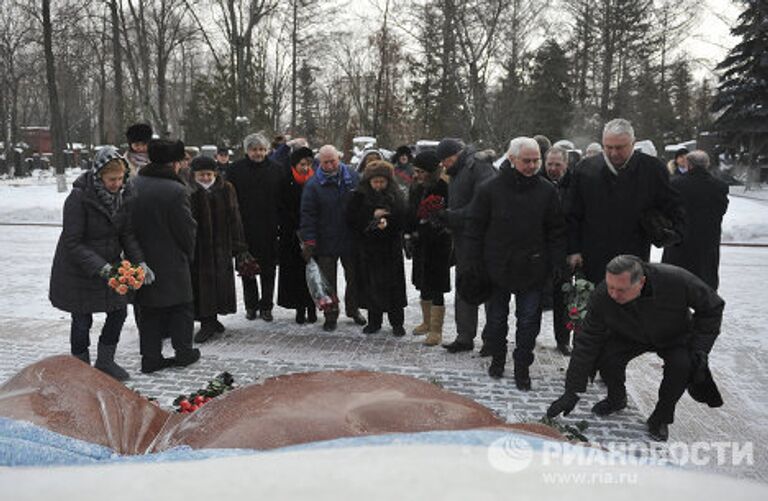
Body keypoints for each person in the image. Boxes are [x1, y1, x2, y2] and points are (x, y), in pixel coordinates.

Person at [547, 255, 725, 441]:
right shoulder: (602, 296)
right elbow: (587, 342)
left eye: (621, 290)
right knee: (607, 358)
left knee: (682, 367)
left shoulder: (676, 279)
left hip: (674, 335)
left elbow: (713, 307)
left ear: (641, 282)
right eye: (610, 287)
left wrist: (698, 348)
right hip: (630, 334)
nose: (614, 295)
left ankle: (661, 417)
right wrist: (572, 391)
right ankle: (617, 399)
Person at [463, 137, 566, 388]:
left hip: (533, 268)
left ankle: (522, 366)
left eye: (535, 161)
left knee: (529, 321)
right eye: (526, 161)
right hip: (497, 267)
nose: (532, 165)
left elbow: (556, 230)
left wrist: (556, 263)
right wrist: (472, 262)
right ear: (511, 159)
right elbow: (474, 227)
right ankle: (498, 359)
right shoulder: (490, 189)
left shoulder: (547, 191)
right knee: (497, 320)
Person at [49, 146, 147, 381]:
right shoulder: (79, 198)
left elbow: (127, 235)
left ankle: (105, 361)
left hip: (110, 267)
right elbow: (72, 242)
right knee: (82, 319)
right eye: (111, 179)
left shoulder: (124, 196)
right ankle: (80, 365)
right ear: (98, 175)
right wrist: (100, 267)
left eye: (120, 178)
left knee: (119, 312)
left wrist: (140, 262)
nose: (116, 184)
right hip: (79, 270)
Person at [565, 118, 685, 284]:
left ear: (633, 143)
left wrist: (671, 230)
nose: (614, 153)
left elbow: (671, 204)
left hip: (634, 250)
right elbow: (573, 213)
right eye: (609, 147)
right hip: (594, 252)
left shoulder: (652, 169)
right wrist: (574, 249)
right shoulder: (585, 169)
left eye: (620, 147)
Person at [131, 139, 200, 373]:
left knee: (148, 309)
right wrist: (188, 253)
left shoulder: (134, 183)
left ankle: (150, 358)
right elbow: (186, 229)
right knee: (182, 307)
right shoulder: (176, 190)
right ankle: (184, 353)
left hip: (141, 257)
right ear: (174, 163)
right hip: (172, 259)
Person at [434, 138, 497, 354]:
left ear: (457, 154)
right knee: (464, 287)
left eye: (446, 160)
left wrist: (452, 216)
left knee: (488, 290)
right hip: (464, 240)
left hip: (484, 240)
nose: (444, 165)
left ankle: (492, 339)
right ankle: (464, 336)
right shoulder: (459, 170)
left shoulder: (478, 167)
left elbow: (484, 205)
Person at [300, 144, 367, 331]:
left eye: (333, 161)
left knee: (354, 277)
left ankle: (354, 309)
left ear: (339, 159)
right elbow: (308, 215)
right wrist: (309, 240)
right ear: (319, 163)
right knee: (328, 280)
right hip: (325, 239)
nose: (329, 165)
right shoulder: (313, 185)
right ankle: (331, 314)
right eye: (325, 162)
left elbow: (362, 205)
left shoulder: (353, 178)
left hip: (350, 237)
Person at [188, 156, 249, 343]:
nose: (205, 178)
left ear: (215, 173)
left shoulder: (226, 188)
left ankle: (213, 318)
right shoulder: (189, 191)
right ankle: (207, 321)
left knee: (220, 284)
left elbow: (234, 216)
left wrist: (239, 245)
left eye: (208, 174)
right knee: (201, 284)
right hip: (198, 248)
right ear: (194, 174)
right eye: (201, 174)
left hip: (221, 245)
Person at [347, 161, 408, 336]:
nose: (379, 185)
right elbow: (352, 219)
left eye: (382, 181)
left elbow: (403, 217)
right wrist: (371, 216)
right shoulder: (360, 195)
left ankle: (397, 323)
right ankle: (374, 321)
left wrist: (389, 220)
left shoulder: (396, 195)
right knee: (371, 286)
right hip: (369, 249)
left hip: (390, 249)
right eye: (375, 182)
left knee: (393, 288)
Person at [227, 132, 283, 322]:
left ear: (267, 150)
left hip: (269, 227)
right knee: (247, 269)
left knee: (268, 270)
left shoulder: (276, 169)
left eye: (261, 149)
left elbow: (281, 200)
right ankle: (251, 306)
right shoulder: (235, 170)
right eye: (254, 149)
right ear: (247, 151)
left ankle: (266, 306)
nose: (258, 153)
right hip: (244, 228)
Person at [662, 150, 729, 290]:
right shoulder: (719, 186)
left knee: (675, 284)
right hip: (707, 242)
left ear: (688, 164)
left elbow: (666, 210)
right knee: (705, 284)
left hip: (680, 242)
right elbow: (721, 211)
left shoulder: (675, 184)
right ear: (707, 164)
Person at [405, 151, 451, 346]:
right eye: (415, 170)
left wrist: (429, 229)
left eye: (420, 171)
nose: (416, 175)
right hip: (420, 243)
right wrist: (408, 233)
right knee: (422, 282)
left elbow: (442, 217)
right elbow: (411, 211)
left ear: (431, 171)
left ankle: (436, 330)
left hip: (438, 244)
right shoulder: (416, 187)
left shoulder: (442, 187)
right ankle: (426, 321)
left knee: (436, 285)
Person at [277, 147, 318, 324]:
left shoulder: (315, 180)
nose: (305, 167)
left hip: (311, 233)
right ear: (295, 164)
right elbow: (280, 207)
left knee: (313, 272)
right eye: (302, 164)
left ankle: (312, 306)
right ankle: (299, 308)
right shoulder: (286, 180)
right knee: (296, 274)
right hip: (292, 235)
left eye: (308, 164)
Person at [543, 146, 574, 355]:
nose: (553, 168)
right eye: (550, 164)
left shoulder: (574, 185)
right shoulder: (537, 183)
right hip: (539, 249)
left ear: (566, 164)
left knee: (563, 298)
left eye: (557, 164)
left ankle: (563, 340)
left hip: (564, 249)